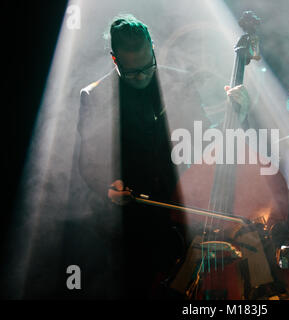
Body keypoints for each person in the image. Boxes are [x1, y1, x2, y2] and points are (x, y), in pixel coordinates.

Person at [77, 14, 250, 298]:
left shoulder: (180, 82)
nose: (143, 76)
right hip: (130, 227)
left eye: (148, 66)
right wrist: (107, 185)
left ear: (154, 49)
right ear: (114, 60)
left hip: (181, 219)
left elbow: (207, 140)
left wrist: (237, 115)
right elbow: (88, 162)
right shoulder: (94, 96)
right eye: (133, 72)